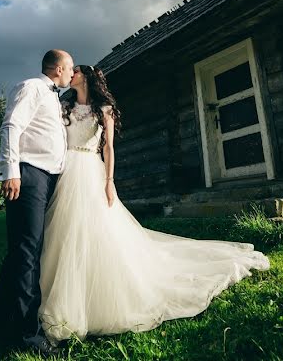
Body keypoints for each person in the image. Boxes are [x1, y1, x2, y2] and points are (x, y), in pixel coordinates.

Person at [37, 64, 270, 342]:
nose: (70, 75)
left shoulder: (104, 110)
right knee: (64, 230)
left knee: (96, 228)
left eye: (75, 71)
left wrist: (109, 181)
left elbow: (109, 147)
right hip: (66, 171)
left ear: (86, 77)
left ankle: (99, 295)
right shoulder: (64, 108)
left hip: (90, 170)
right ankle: (58, 293)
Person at [0, 49, 74, 357]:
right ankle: (27, 336)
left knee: (22, 251)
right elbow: (11, 126)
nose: (72, 73)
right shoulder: (31, 87)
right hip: (29, 174)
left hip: (48, 177)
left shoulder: (54, 98)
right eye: (70, 68)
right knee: (27, 253)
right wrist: (10, 171)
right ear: (58, 68)